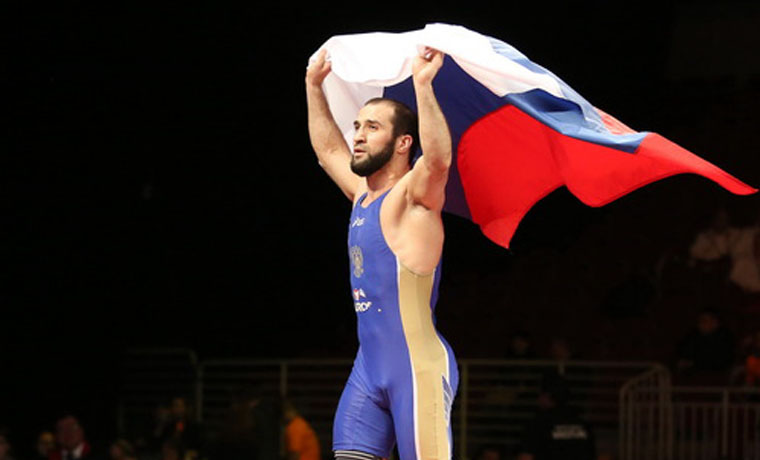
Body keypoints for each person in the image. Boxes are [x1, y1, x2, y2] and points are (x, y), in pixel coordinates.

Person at [306, 46, 458, 460]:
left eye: (372, 127)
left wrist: (423, 84)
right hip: (368, 370)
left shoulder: (413, 198)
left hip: (417, 371)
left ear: (403, 142)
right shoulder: (361, 196)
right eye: (357, 125)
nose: (357, 135)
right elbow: (328, 151)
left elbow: (438, 161)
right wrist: (313, 85)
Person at [516, 373, 596, 460]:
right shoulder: (583, 425)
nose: (538, 399)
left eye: (539, 394)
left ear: (546, 396)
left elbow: (526, 457)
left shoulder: (538, 425)